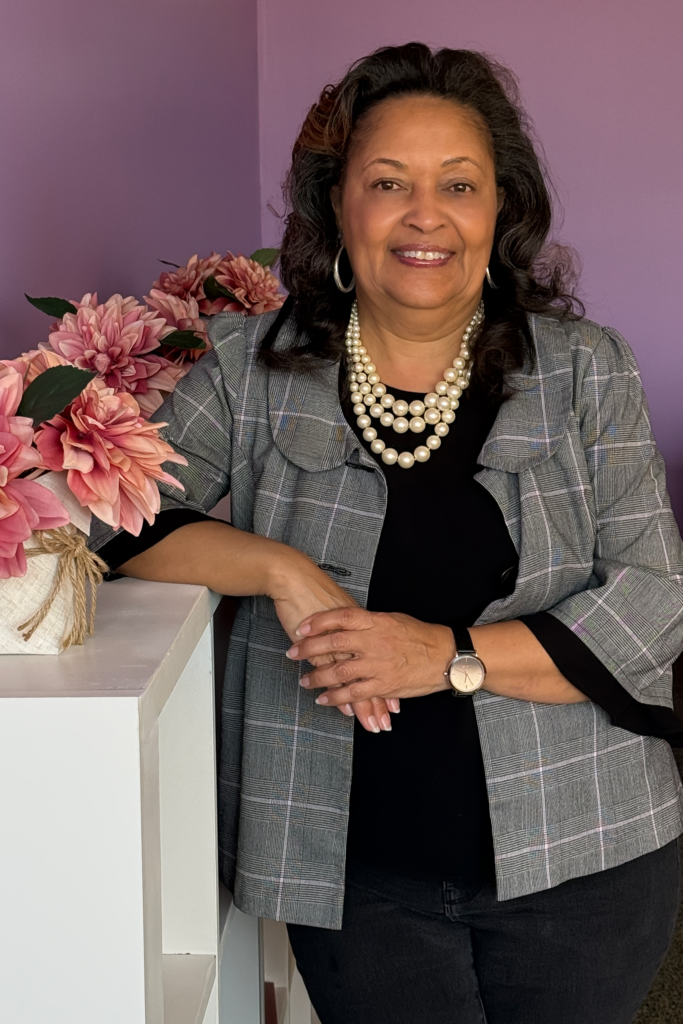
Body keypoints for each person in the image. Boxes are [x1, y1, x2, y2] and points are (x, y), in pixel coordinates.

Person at [92, 43, 683, 1024]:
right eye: (386, 182)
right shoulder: (248, 368)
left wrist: (442, 656)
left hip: (586, 849)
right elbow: (110, 512)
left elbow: (652, 600)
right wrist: (273, 564)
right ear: (336, 209)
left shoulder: (585, 370)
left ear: (499, 210)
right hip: (350, 871)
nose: (424, 214)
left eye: (458, 184)